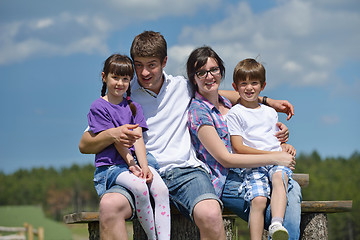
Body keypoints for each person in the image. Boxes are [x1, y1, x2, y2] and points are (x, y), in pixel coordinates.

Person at [78, 31, 297, 240]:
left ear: (164, 62)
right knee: (109, 206)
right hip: (140, 173)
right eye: (139, 65)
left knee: (211, 213)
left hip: (186, 172)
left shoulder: (182, 87)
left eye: (151, 65)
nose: (145, 73)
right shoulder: (124, 92)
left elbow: (217, 91)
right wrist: (113, 134)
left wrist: (268, 102)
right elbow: (85, 144)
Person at [186, 46, 301, 240]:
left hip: (254, 169)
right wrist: (276, 157)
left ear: (221, 71)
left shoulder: (229, 103)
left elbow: (250, 105)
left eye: (213, 70)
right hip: (227, 179)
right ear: (193, 78)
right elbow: (226, 159)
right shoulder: (199, 112)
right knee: (284, 196)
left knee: (290, 187)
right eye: (201, 72)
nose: (209, 76)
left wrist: (279, 141)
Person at [87, 54, 170, 240]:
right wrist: (132, 165)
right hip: (112, 166)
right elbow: (118, 141)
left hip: (137, 161)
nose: (120, 83)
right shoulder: (99, 107)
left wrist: (145, 167)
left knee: (161, 189)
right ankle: (152, 237)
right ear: (104, 77)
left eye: (125, 79)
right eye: (115, 77)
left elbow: (138, 139)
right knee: (140, 187)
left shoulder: (133, 107)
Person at [226, 58, 297, 239]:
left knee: (279, 177)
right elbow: (238, 147)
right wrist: (274, 155)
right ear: (235, 87)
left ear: (263, 86)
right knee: (258, 200)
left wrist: (284, 147)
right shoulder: (235, 113)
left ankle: (276, 224)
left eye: (254, 83)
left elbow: (274, 140)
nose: (249, 88)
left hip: (275, 162)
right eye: (244, 84)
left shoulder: (270, 112)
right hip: (253, 164)